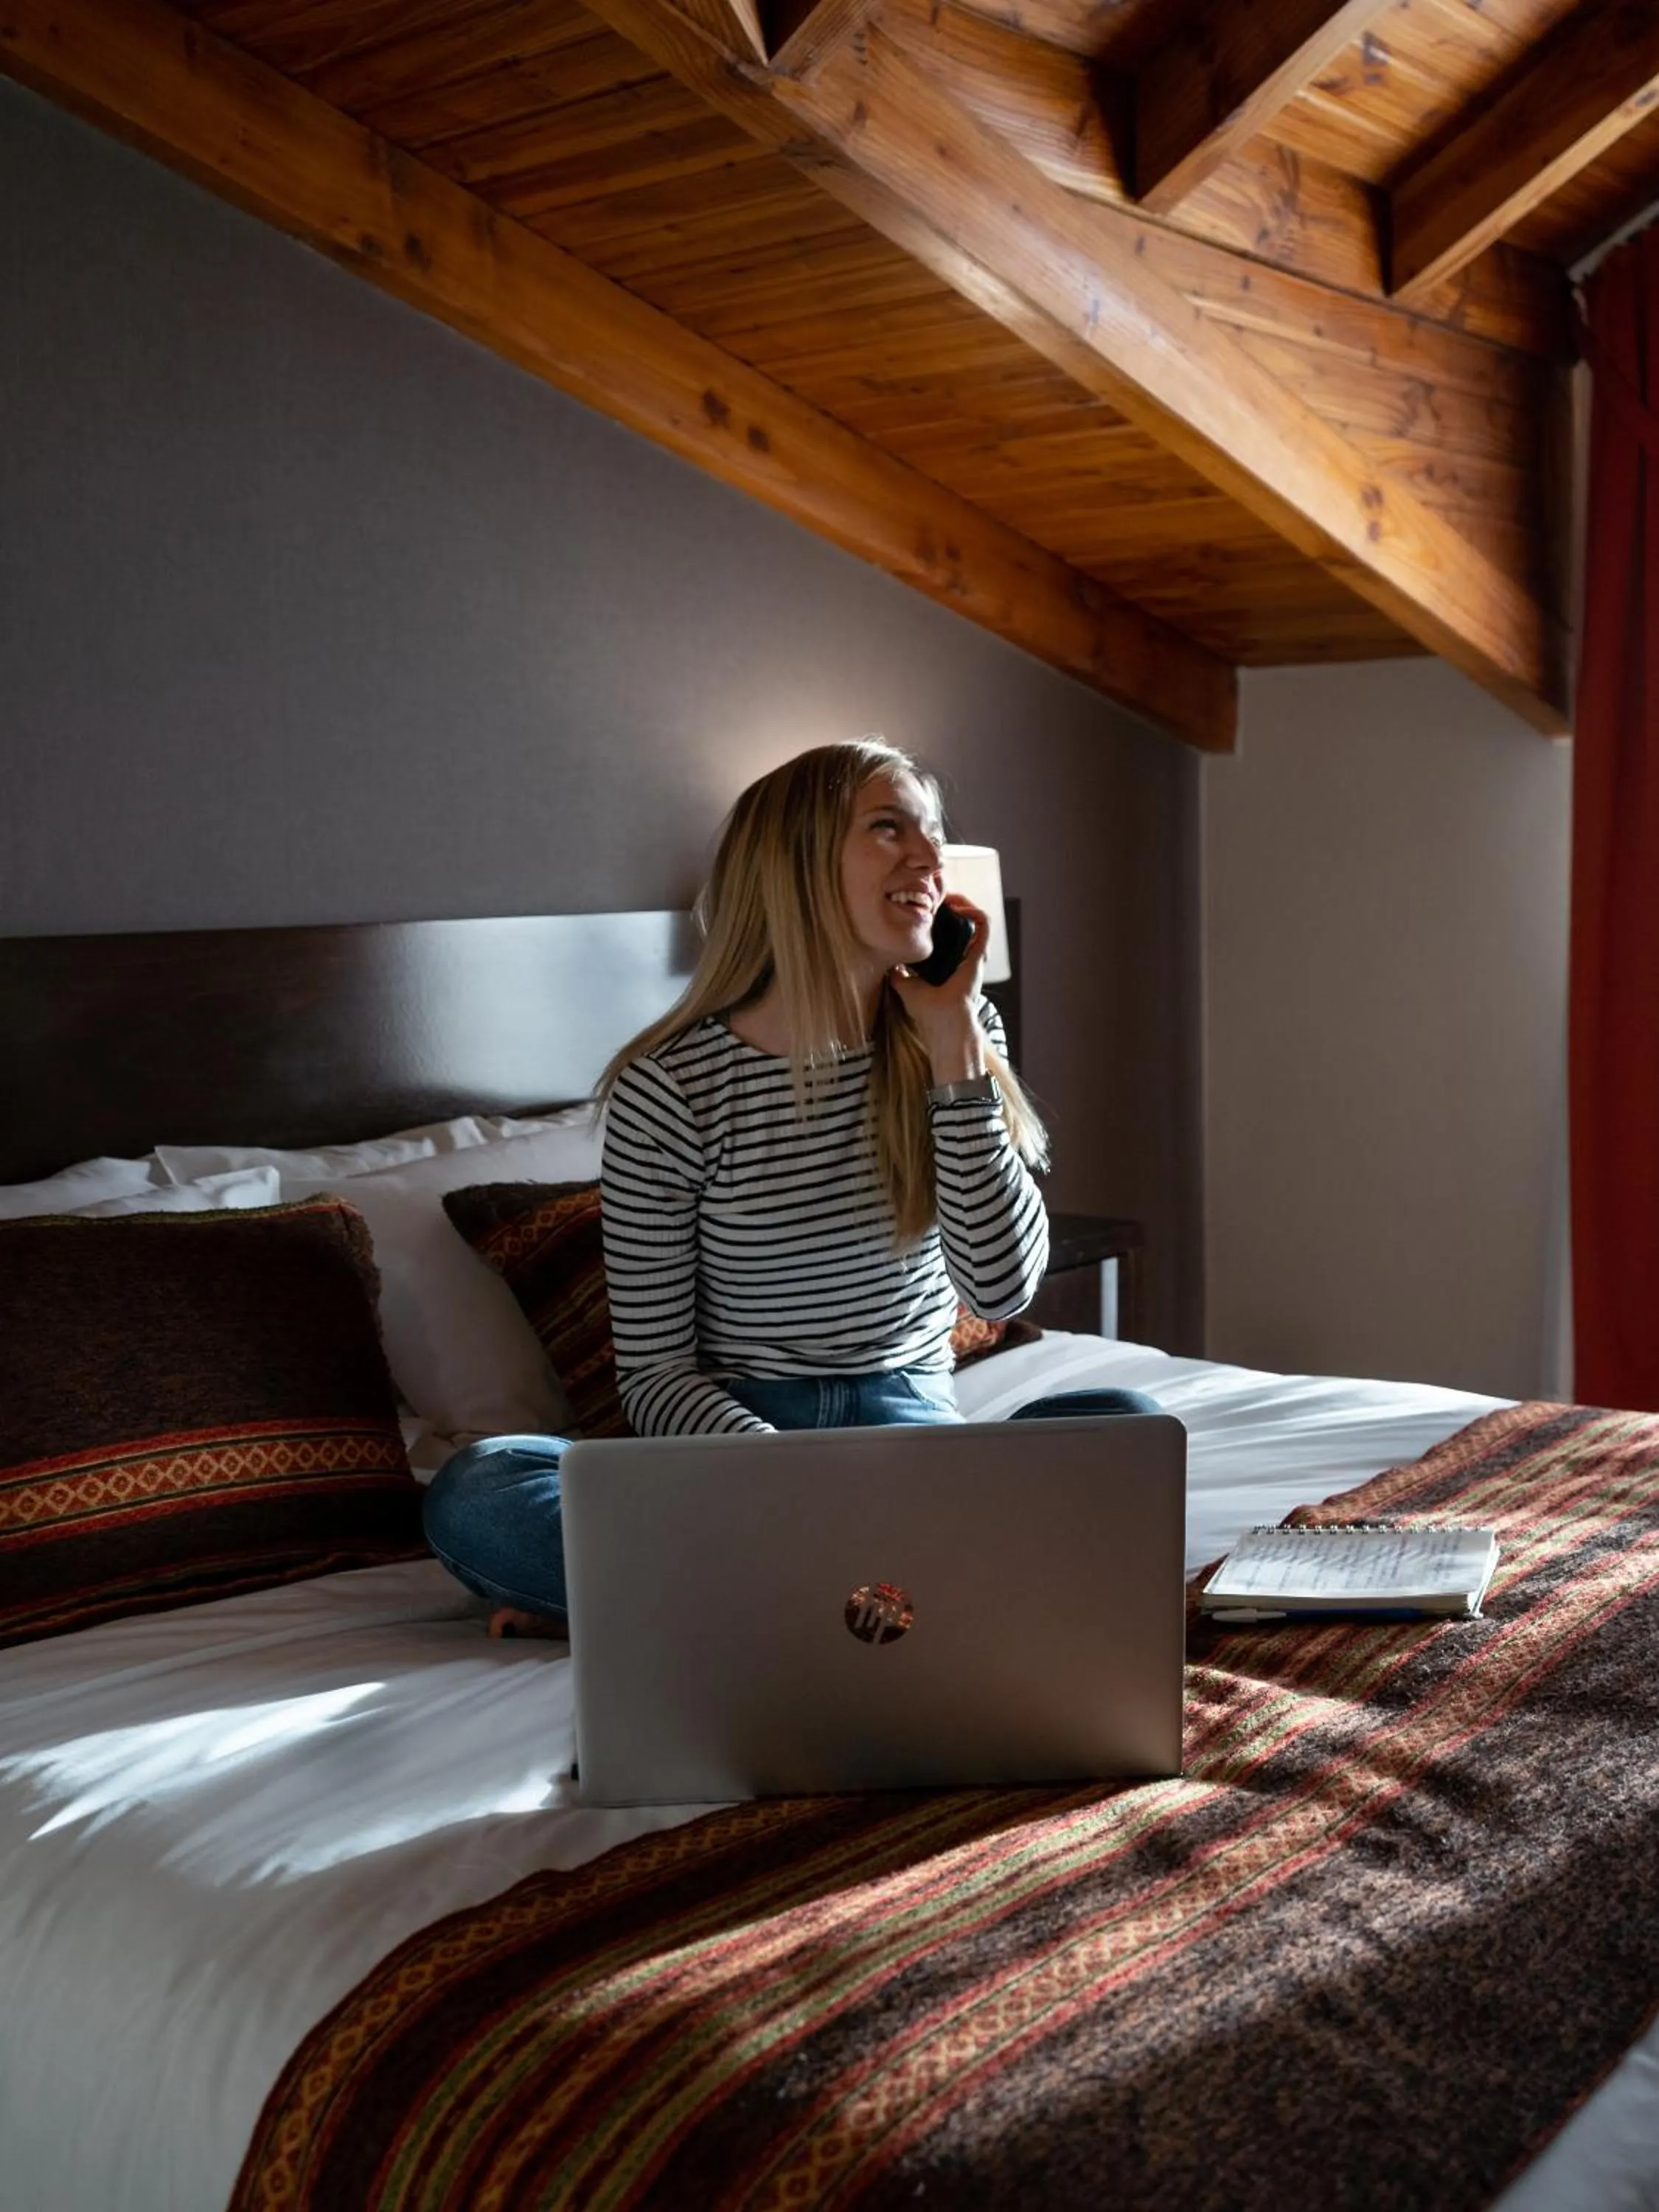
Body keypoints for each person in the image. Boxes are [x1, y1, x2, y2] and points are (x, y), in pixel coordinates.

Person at [422, 738, 1159, 1635]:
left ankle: (707, 1607)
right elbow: (656, 1379)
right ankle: (895, 1594)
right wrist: (790, 1488)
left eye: (931, 834)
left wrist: (955, 1042)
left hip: (911, 1431)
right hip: (741, 1454)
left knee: (1125, 1425)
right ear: (798, 863)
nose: (929, 858)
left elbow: (1001, 1288)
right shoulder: (673, 1084)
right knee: (479, 1487)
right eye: (889, 830)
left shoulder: (960, 1033)